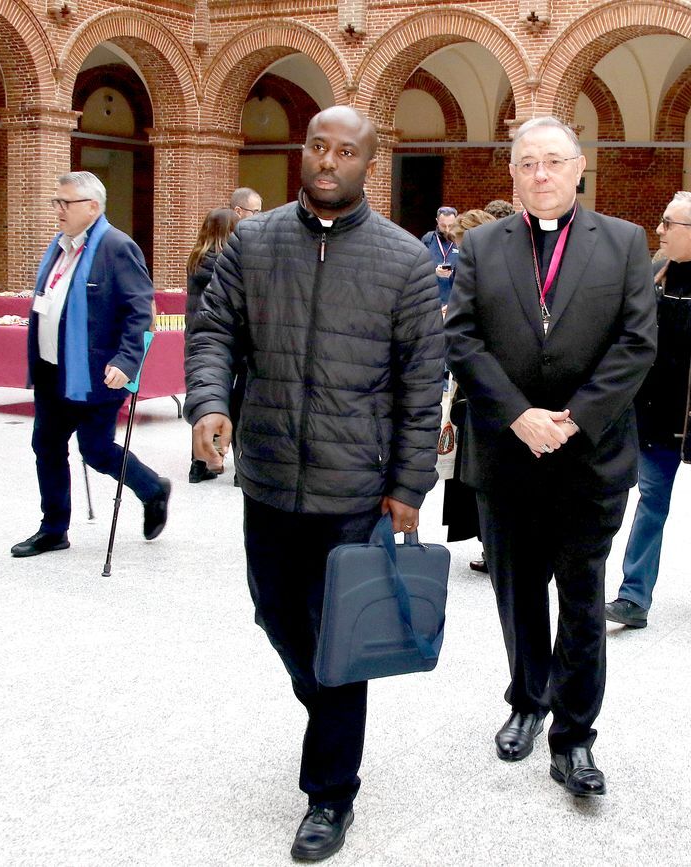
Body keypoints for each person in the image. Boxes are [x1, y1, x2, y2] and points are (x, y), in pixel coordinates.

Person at [185, 106, 444, 861]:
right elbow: (214, 332)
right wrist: (207, 402)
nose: (329, 161)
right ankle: (326, 705)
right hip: (267, 477)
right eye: (318, 146)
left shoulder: (402, 260)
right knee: (274, 615)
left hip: (354, 488)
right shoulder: (253, 242)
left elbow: (422, 382)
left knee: (341, 643)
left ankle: (330, 793)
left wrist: (409, 484)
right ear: (304, 152)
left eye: (346, 151)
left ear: (371, 161)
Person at [444, 116, 656, 798]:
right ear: (512, 173)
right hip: (506, 453)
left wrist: (574, 418)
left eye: (554, 162)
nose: (541, 174)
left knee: (584, 597)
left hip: (588, 453)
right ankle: (527, 698)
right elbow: (464, 336)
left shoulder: (622, 242)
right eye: (527, 163)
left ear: (579, 168)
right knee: (517, 589)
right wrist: (517, 414)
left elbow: (636, 342)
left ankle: (575, 736)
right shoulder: (481, 244)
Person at [10, 171, 171, 558]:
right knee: (46, 446)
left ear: (93, 207)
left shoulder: (116, 247)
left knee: (96, 451)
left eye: (66, 203)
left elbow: (139, 312)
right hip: (53, 369)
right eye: (56, 202)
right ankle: (54, 529)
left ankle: (152, 488)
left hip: (97, 372)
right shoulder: (60, 246)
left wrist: (127, 360)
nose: (58, 210)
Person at [603, 191, 691, 628]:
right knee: (649, 505)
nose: (659, 229)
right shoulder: (651, 275)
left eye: (668, 223)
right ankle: (633, 597)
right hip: (654, 418)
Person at [441, 207, 499, 572]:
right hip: (471, 387)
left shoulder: (495, 275)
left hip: (491, 390)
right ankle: (489, 543)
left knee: (487, 472)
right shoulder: (480, 270)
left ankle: (497, 544)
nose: (461, 253)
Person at [185, 207, 240, 483]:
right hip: (223, 341)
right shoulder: (225, 262)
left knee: (204, 402)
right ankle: (227, 462)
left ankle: (199, 464)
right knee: (232, 402)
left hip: (196, 337)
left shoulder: (196, 259)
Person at [421, 206, 459, 308]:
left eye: (450, 226)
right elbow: (419, 268)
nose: (447, 230)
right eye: (443, 225)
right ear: (437, 221)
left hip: (454, 300)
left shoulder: (462, 239)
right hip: (432, 299)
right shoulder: (428, 239)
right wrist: (434, 271)